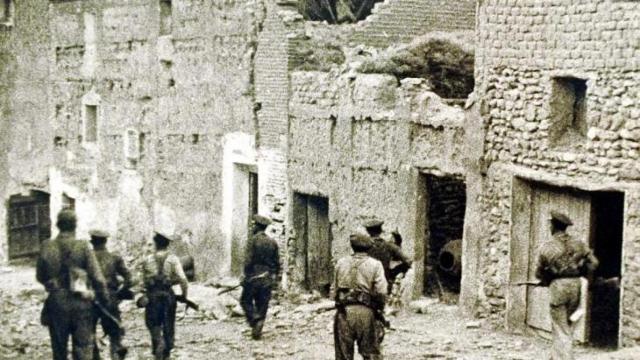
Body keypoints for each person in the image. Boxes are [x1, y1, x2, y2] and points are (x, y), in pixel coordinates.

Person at [36, 209, 112, 360]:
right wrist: (105, 300)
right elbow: (98, 278)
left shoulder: (47, 246)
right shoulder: (82, 246)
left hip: (57, 302)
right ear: (75, 226)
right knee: (83, 349)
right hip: (81, 303)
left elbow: (40, 276)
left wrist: (52, 283)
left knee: (59, 349)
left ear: (58, 225)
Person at [535, 211, 599, 360]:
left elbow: (538, 273)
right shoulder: (579, 244)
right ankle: (554, 356)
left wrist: (547, 279)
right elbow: (594, 263)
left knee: (560, 327)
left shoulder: (546, 247)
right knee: (566, 325)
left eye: (550, 224)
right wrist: (582, 272)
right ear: (565, 227)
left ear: (552, 226)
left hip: (558, 287)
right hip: (575, 285)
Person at [334, 233, 387, 360]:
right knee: (371, 354)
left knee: (343, 355)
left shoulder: (340, 262)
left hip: (344, 313)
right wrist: (379, 311)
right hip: (366, 312)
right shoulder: (375, 264)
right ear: (369, 247)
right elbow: (381, 291)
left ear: (352, 247)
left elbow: (334, 290)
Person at [140, 231, 189, 360]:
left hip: (152, 296)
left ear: (155, 243)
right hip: (168, 295)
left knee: (152, 323)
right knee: (168, 324)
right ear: (167, 245)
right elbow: (183, 280)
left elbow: (142, 282)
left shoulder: (147, 259)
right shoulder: (173, 259)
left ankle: (158, 343)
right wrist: (184, 295)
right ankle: (166, 349)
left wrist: (142, 295)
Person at [89, 229, 132, 360]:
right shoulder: (115, 257)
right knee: (115, 332)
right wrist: (121, 292)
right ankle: (116, 355)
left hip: (91, 299)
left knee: (89, 331)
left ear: (92, 242)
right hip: (110, 298)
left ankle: (95, 356)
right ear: (106, 241)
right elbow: (129, 278)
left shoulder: (86, 258)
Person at [240, 214, 280, 340]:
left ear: (257, 226)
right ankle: (259, 324)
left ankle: (254, 319)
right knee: (262, 303)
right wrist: (274, 277)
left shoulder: (252, 240)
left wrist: (246, 276)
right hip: (267, 277)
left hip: (254, 275)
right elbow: (277, 263)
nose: (252, 227)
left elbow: (248, 261)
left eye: (253, 225)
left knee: (245, 300)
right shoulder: (272, 242)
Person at [364, 220, 412, 294]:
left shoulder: (363, 246)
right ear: (380, 231)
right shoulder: (389, 246)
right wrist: (393, 272)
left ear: (367, 231)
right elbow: (408, 261)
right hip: (384, 281)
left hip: (365, 283)